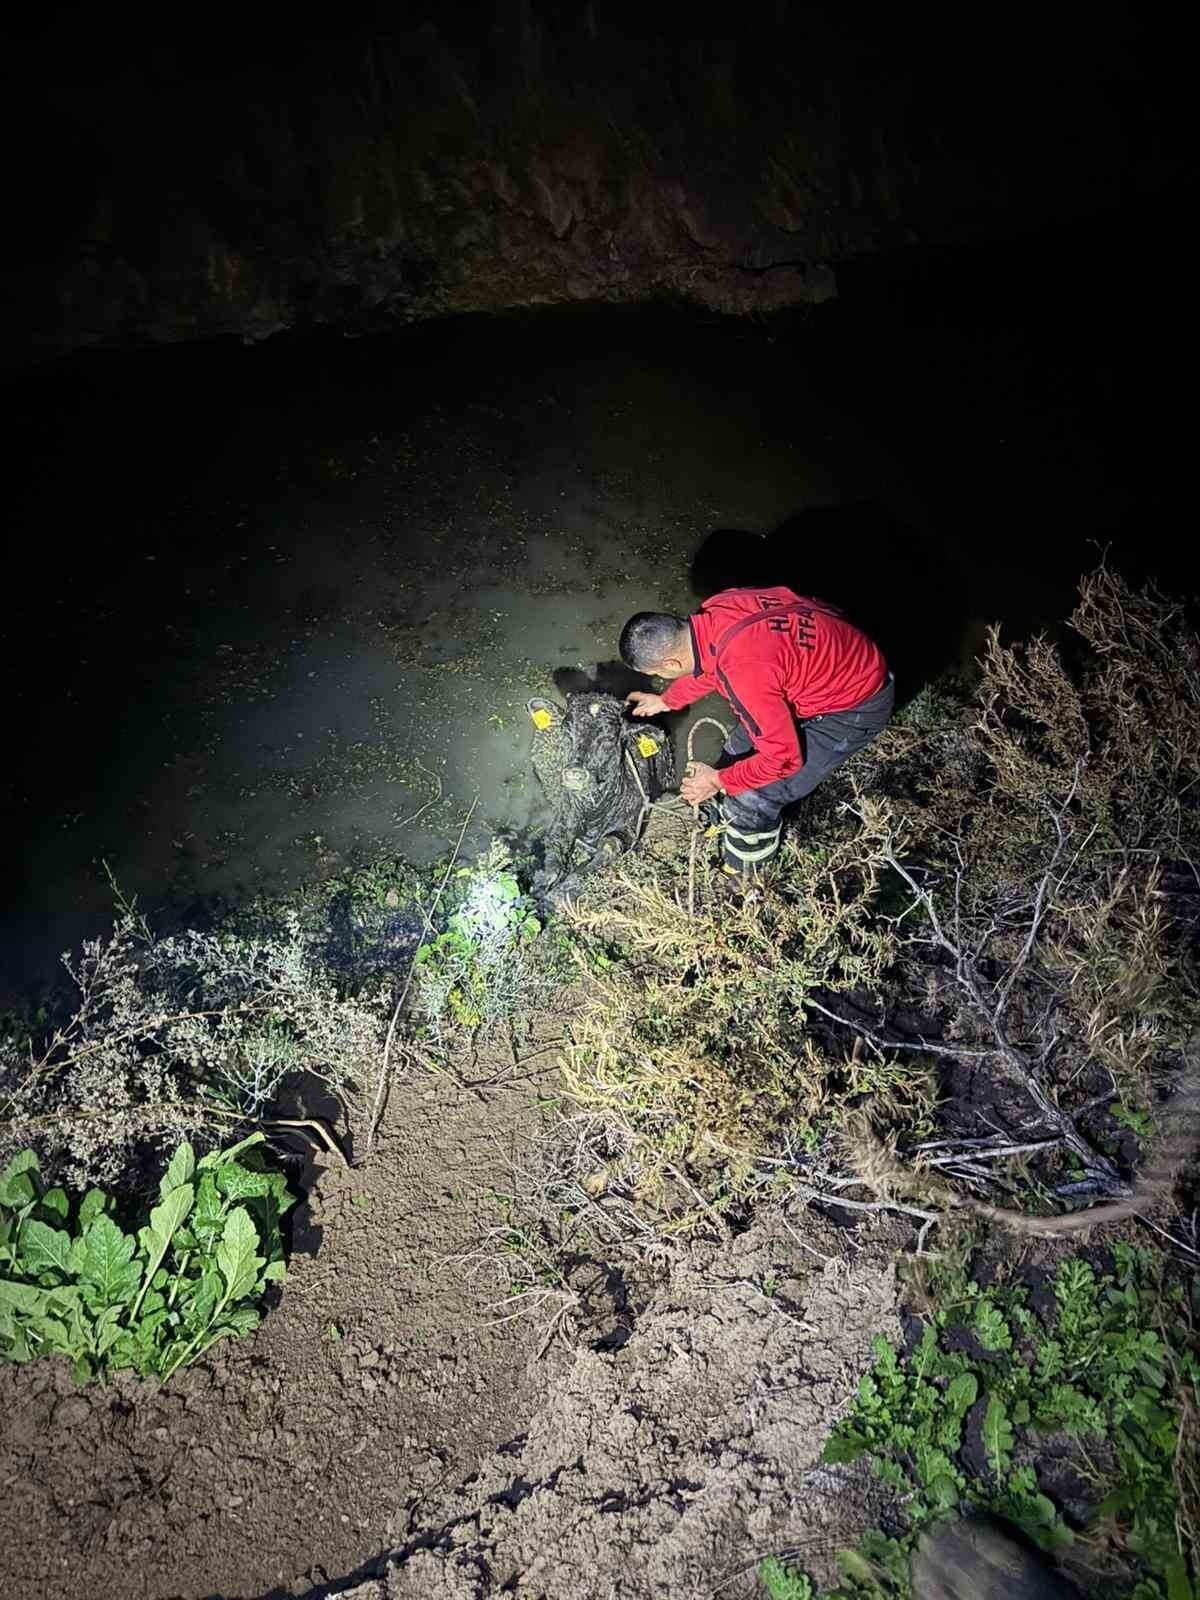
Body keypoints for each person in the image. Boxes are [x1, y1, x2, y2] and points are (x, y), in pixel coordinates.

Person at [620, 586, 893, 877]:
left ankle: (745, 873)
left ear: (671, 664)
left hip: (854, 706)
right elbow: (710, 666)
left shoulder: (744, 672)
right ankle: (724, 819)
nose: (661, 678)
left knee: (751, 793)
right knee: (734, 755)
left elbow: (784, 759)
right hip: (820, 666)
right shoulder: (716, 609)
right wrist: (666, 701)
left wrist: (717, 780)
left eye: (658, 675)